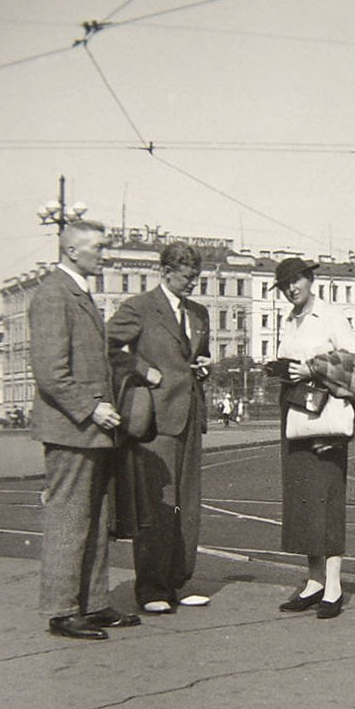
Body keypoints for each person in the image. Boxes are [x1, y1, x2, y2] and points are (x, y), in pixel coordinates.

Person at [28, 219, 140, 640]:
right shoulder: (53, 294)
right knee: (68, 519)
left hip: (90, 430)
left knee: (94, 519)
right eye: (99, 247)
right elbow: (50, 373)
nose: (105, 254)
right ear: (72, 250)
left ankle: (92, 603)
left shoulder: (77, 292)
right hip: (72, 429)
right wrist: (93, 409)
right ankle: (61, 611)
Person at [107, 242, 213, 615]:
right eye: (186, 277)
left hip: (189, 417)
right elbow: (108, 344)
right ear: (166, 272)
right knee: (157, 503)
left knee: (188, 504)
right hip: (154, 422)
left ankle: (177, 581)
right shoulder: (140, 307)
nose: (192, 284)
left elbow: (194, 358)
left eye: (196, 277)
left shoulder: (199, 313)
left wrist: (203, 366)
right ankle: (150, 587)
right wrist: (142, 370)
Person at [273, 257, 355, 620]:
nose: (290, 289)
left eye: (295, 281)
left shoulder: (330, 316)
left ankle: (334, 585)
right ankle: (313, 582)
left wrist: (311, 367)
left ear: (309, 279)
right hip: (296, 415)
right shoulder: (288, 320)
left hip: (326, 420)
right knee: (302, 502)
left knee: (327, 500)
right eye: (284, 285)